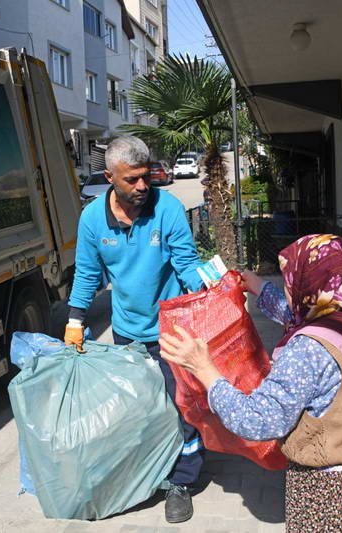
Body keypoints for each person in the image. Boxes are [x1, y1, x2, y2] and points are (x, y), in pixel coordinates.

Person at [159, 234, 342, 531]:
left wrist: (204, 369)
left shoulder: (308, 349)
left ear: (308, 282)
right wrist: (257, 286)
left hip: (339, 499)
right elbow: (295, 316)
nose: (288, 287)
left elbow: (258, 421)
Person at [64, 136, 205, 523]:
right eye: (132, 180)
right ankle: (149, 476)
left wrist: (210, 294)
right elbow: (88, 274)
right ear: (110, 177)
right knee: (141, 410)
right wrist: (75, 321)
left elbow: (186, 263)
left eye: (146, 177)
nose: (143, 186)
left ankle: (182, 482)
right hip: (126, 331)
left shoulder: (168, 209)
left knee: (182, 407)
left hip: (173, 329)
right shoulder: (93, 219)